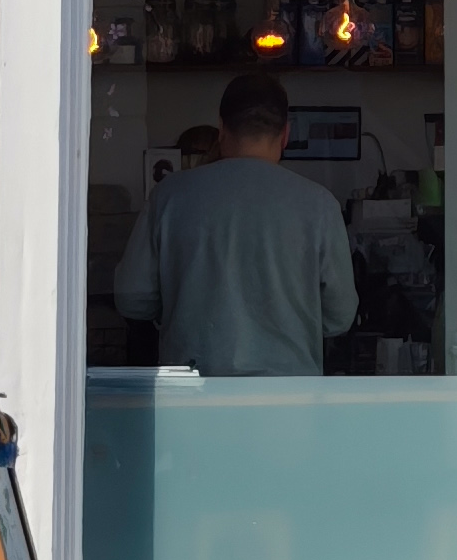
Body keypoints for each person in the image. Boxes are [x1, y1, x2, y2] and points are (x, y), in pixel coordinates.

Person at [112, 69, 357, 374]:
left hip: (194, 396)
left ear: (222, 129)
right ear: (285, 135)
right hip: (289, 400)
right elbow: (340, 317)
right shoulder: (320, 205)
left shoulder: (170, 197)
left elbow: (131, 298)